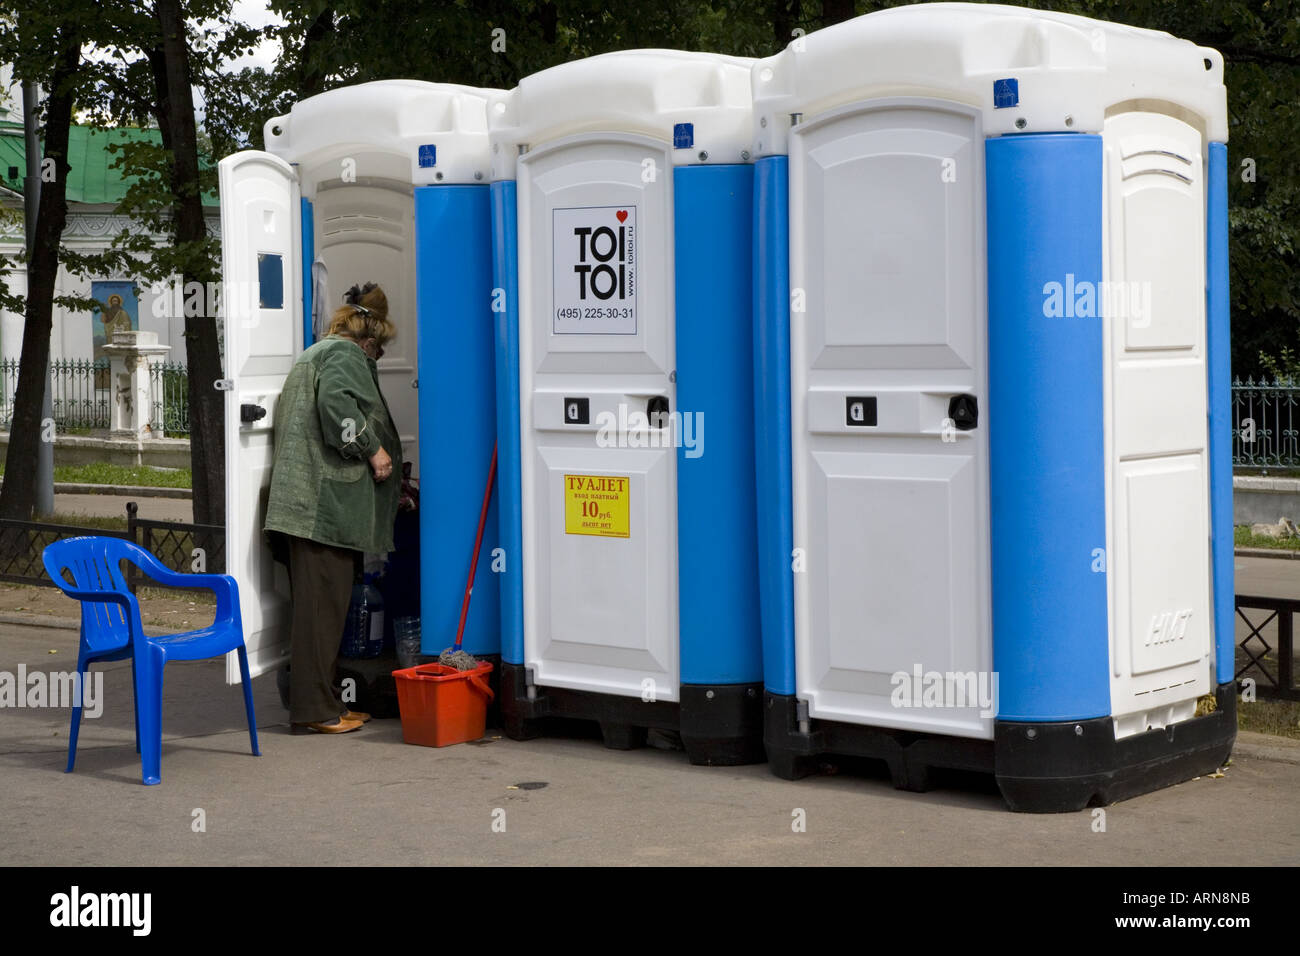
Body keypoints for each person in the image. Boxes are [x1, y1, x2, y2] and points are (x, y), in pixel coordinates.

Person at [264, 282, 402, 734]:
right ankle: (315, 711)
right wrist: (373, 450)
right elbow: (336, 407)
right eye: (378, 352)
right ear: (369, 340)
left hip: (311, 506)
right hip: (320, 508)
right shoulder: (345, 356)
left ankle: (326, 705)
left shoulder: (319, 352)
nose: (377, 359)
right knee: (320, 616)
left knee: (320, 610)